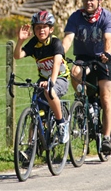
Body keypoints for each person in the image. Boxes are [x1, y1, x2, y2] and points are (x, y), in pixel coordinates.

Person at [62, 0, 111, 154]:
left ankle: (106, 138)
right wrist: (59, 53)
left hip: (105, 58)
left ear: (99, 1)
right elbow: (68, 38)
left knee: (105, 96)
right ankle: (85, 105)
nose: (88, 2)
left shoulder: (107, 17)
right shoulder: (75, 17)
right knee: (74, 73)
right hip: (84, 57)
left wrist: (107, 54)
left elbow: (108, 38)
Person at [14, 10, 70, 144]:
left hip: (60, 78)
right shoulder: (34, 43)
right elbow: (17, 55)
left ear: (51, 29)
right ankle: (30, 146)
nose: (41, 30)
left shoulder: (55, 43)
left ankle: (61, 124)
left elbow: (57, 63)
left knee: (49, 91)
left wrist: (51, 81)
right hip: (43, 80)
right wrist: (20, 41)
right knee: (36, 112)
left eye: (44, 27)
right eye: (38, 27)